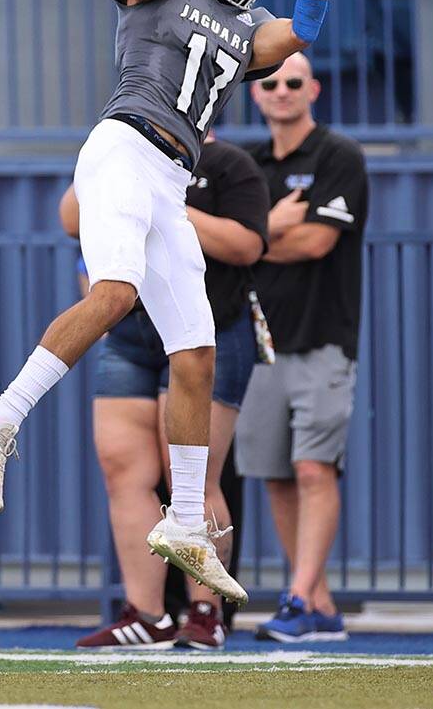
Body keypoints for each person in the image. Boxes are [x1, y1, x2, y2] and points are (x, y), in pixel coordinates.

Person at [0, 0, 351, 607]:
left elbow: (302, 29)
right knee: (113, 293)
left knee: (196, 350)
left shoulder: (247, 26)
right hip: (123, 148)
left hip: (172, 177)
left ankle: (182, 521)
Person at [62, 136, 270, 650]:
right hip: (132, 335)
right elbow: (71, 217)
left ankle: (206, 610)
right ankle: (147, 614)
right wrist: (110, 161)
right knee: (123, 468)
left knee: (192, 473)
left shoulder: (228, 163)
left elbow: (248, 245)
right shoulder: (127, 153)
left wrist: (163, 203)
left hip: (206, 334)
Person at [235, 52, 368, 643]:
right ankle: (315, 603)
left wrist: (258, 234)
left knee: (315, 468)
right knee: (276, 476)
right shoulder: (250, 164)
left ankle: (297, 598)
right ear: (257, 95)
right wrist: (273, 224)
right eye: (270, 82)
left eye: (293, 81)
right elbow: (224, 245)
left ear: (313, 88)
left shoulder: (339, 157)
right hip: (263, 343)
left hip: (323, 340)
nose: (282, 90)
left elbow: (316, 241)